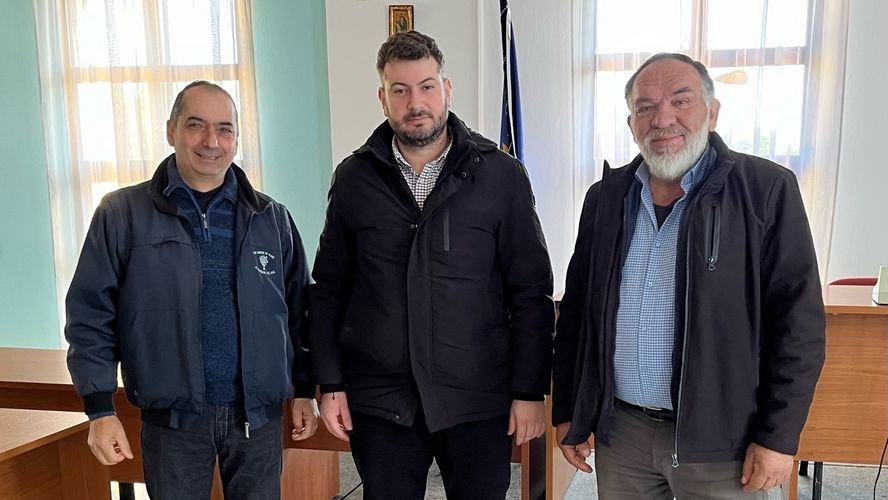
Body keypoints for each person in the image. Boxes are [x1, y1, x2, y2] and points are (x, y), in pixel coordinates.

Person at [552, 53, 826, 499]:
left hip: (725, 443)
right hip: (623, 435)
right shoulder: (605, 198)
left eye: (681, 101)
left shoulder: (766, 190)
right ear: (631, 123)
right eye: (645, 107)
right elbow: (577, 315)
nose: (663, 119)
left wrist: (778, 436)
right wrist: (569, 410)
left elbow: (799, 327)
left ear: (712, 113)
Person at [308, 31, 555, 500]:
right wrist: (331, 382)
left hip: (477, 397)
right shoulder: (354, 177)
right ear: (383, 98)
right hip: (381, 399)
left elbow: (530, 291)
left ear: (447, 88)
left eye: (426, 86)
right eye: (400, 90)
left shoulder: (500, 175)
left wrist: (529, 390)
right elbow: (329, 288)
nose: (415, 103)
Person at [65, 80, 318, 500]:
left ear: (236, 138)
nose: (211, 141)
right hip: (173, 425)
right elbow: (91, 314)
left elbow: (299, 312)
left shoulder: (272, 219)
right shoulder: (122, 215)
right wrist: (99, 408)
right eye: (196, 125)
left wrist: (306, 390)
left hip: (257, 421)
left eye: (224, 129)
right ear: (171, 131)